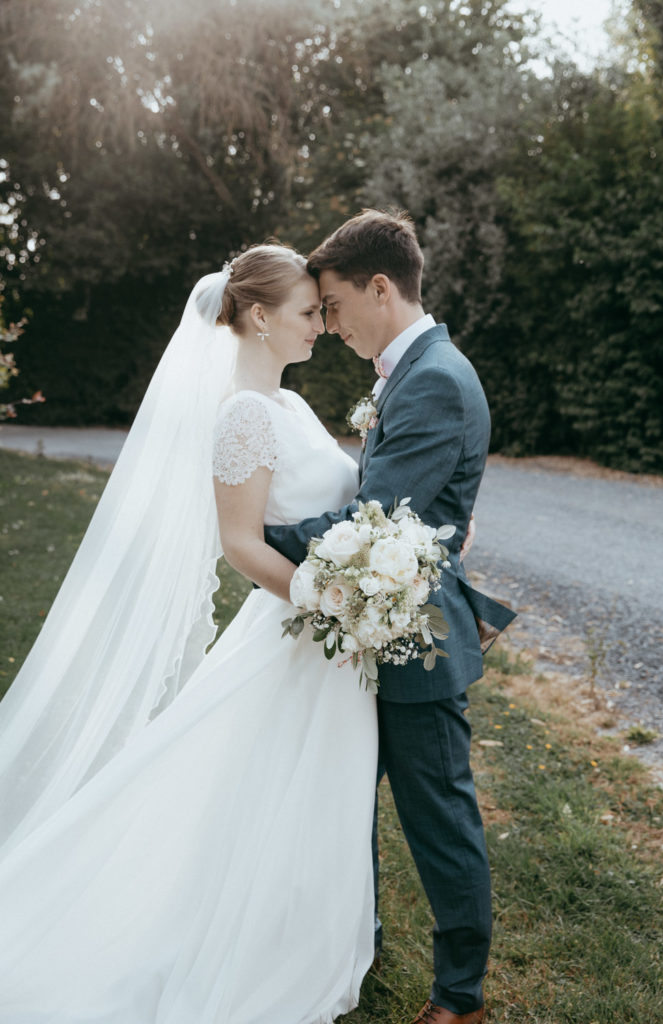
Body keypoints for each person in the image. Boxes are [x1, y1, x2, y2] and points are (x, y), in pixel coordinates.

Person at [0, 244, 379, 1023]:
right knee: (252, 781)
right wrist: (329, 597)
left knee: (301, 781)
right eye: (309, 313)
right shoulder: (241, 414)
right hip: (299, 626)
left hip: (328, 631)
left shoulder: (289, 406)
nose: (321, 324)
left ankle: (287, 921)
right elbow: (241, 543)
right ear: (259, 316)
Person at [265, 210, 516, 1024]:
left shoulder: (434, 377)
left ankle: (460, 996)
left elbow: (368, 521)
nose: (328, 324)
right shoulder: (410, 371)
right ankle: (354, 941)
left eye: (333, 305)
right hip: (381, 629)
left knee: (437, 815)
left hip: (418, 642)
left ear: (380, 288)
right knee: (343, 800)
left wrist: (250, 535)